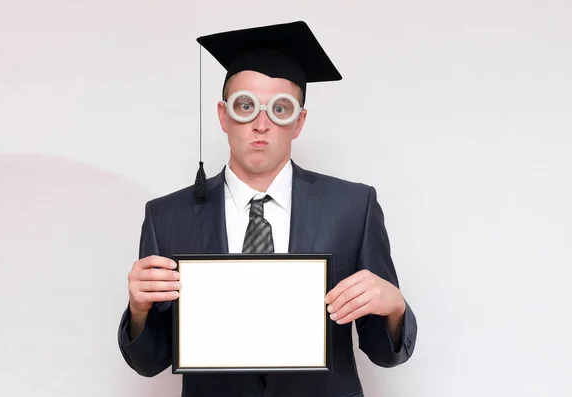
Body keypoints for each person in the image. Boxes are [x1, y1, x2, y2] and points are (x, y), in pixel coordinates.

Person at [117, 20, 417, 397]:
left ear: (299, 122)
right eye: (246, 106)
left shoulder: (353, 207)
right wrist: (139, 310)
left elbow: (383, 353)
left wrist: (393, 308)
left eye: (280, 108)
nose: (261, 123)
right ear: (224, 116)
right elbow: (149, 362)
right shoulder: (166, 217)